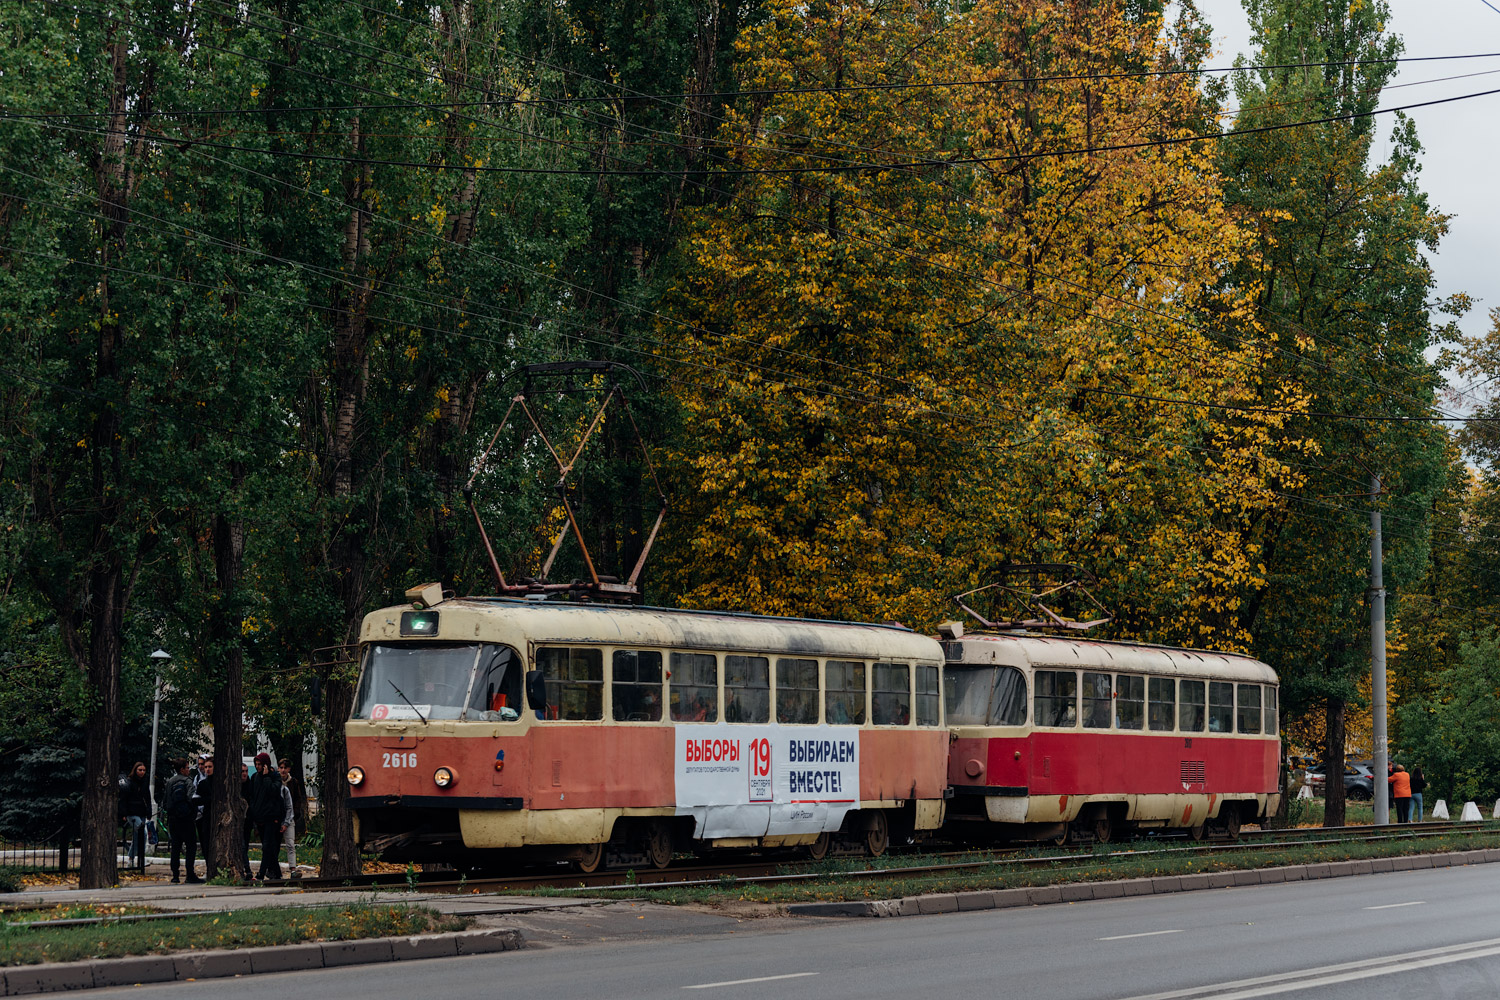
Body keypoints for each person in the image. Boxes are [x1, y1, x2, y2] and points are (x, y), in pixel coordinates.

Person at [246, 753, 285, 880]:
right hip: (259, 816)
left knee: (267, 846)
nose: (257, 767)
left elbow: (274, 791)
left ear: (265, 765)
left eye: (259, 765)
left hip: (272, 817)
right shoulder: (254, 777)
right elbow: (252, 796)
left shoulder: (275, 777)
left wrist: (266, 776)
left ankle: (261, 873)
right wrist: (254, 811)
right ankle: (277, 873)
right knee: (269, 847)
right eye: (256, 764)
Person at [163, 757, 201, 883]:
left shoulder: (170, 782)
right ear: (182, 769)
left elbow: (166, 801)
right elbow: (191, 798)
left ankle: (175, 875)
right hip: (186, 819)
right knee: (191, 846)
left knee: (175, 847)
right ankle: (190, 874)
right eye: (187, 767)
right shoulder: (187, 781)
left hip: (173, 819)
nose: (189, 770)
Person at [117, 761, 150, 869]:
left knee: (137, 837)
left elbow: (147, 797)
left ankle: (132, 860)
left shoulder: (144, 782)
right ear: (135, 770)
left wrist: (148, 811)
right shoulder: (129, 782)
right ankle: (139, 858)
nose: (142, 772)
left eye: (144, 770)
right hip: (132, 813)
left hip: (142, 812)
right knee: (142, 834)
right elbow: (124, 798)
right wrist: (124, 813)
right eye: (140, 770)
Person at [277, 759, 307, 878]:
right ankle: (274, 868)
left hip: (290, 817)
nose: (283, 770)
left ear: (289, 769)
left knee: (290, 843)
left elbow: (297, 799)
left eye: (285, 768)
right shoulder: (275, 781)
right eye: (281, 767)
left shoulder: (293, 782)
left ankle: (293, 868)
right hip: (277, 818)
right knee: (275, 844)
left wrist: (294, 814)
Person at [192, 756, 215, 874]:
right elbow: (195, 799)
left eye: (210, 767)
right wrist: (209, 800)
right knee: (205, 844)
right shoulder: (202, 783)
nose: (207, 769)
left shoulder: (220, 782)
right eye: (205, 767)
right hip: (206, 816)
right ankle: (209, 867)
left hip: (217, 817)